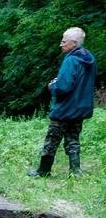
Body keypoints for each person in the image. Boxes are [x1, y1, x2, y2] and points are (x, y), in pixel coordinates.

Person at [28, 27, 97, 177]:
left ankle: (43, 171)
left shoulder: (71, 60)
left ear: (73, 43)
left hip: (65, 107)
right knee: (73, 138)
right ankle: (75, 171)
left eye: (64, 41)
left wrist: (52, 86)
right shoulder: (90, 59)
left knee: (52, 139)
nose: (61, 44)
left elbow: (63, 87)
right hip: (80, 108)